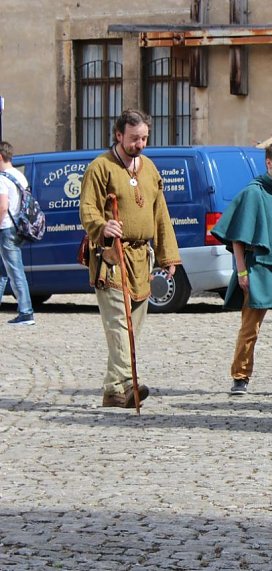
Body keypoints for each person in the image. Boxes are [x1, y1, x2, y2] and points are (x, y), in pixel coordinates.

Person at [79, 109, 181, 408]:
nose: (140, 144)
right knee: (118, 325)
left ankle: (113, 391)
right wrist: (102, 226)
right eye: (135, 138)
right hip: (111, 257)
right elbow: (87, 209)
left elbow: (160, 213)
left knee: (133, 326)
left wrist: (167, 255)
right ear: (119, 135)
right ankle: (127, 383)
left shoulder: (149, 168)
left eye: (145, 138)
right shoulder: (101, 168)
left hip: (141, 258)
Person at [212, 142, 272, 396]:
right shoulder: (253, 192)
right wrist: (242, 271)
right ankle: (240, 375)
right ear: (269, 163)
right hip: (258, 268)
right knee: (250, 328)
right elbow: (238, 235)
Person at [0, 141, 35, 325]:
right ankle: (25, 311)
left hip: (6, 228)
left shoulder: (2, 178)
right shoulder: (19, 176)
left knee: (15, 271)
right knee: (5, 270)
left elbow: (3, 206)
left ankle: (26, 312)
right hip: (18, 227)